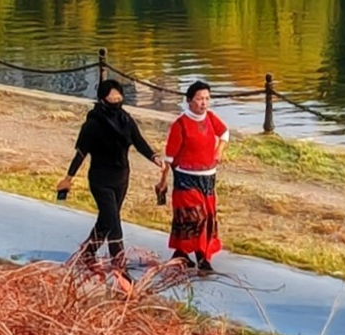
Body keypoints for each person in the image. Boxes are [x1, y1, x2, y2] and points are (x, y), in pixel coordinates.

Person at [56, 78, 164, 272]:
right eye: (111, 99)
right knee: (113, 220)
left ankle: (88, 252)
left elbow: (138, 141)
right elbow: (81, 153)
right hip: (101, 179)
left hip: (121, 177)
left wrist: (154, 157)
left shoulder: (125, 119)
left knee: (107, 220)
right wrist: (68, 178)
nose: (116, 102)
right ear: (102, 100)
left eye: (118, 99)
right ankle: (118, 260)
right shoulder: (93, 124)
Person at [164, 80, 228, 272]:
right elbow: (169, 157)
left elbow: (225, 133)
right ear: (189, 100)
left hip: (208, 177)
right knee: (196, 217)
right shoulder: (180, 124)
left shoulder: (211, 117)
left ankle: (181, 252)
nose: (204, 103)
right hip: (186, 177)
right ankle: (202, 257)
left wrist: (219, 150)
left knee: (207, 216)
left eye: (207, 98)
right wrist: (162, 180)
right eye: (200, 99)